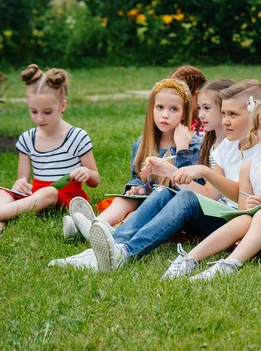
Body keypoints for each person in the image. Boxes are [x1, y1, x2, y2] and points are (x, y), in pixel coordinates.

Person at [49, 79, 261, 271]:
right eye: (225, 114)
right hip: (216, 213)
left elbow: (241, 201)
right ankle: (111, 246)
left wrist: (204, 171)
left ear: (254, 114)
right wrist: (172, 173)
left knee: (185, 197)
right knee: (165, 191)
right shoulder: (225, 148)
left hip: (235, 221)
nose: (226, 120)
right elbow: (211, 194)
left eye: (233, 114)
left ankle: (126, 253)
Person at [162, 97, 261, 280]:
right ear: (256, 132)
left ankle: (229, 264)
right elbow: (243, 211)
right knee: (247, 218)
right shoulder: (249, 167)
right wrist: (252, 203)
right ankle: (189, 260)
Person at [63, 78, 201, 241]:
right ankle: (96, 224)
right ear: (152, 109)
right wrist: (137, 188)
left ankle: (98, 232)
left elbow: (189, 189)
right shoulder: (144, 143)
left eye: (173, 109)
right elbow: (137, 177)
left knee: (135, 214)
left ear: (184, 113)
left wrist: (182, 149)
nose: (165, 114)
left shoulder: (193, 145)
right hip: (146, 200)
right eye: (160, 107)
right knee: (124, 200)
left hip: (172, 209)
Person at [0, 64, 100, 239]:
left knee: (48, 193)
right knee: (3, 193)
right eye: (33, 111)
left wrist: (86, 172)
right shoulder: (27, 139)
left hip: (65, 196)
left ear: (62, 106)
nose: (39, 118)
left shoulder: (77, 136)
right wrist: (20, 185)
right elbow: (22, 180)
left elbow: (95, 180)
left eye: (47, 112)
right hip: (34, 195)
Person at [168, 66, 207, 136]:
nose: (173, 103)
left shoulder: (210, 125)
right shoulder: (171, 122)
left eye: (180, 97)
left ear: (197, 95)